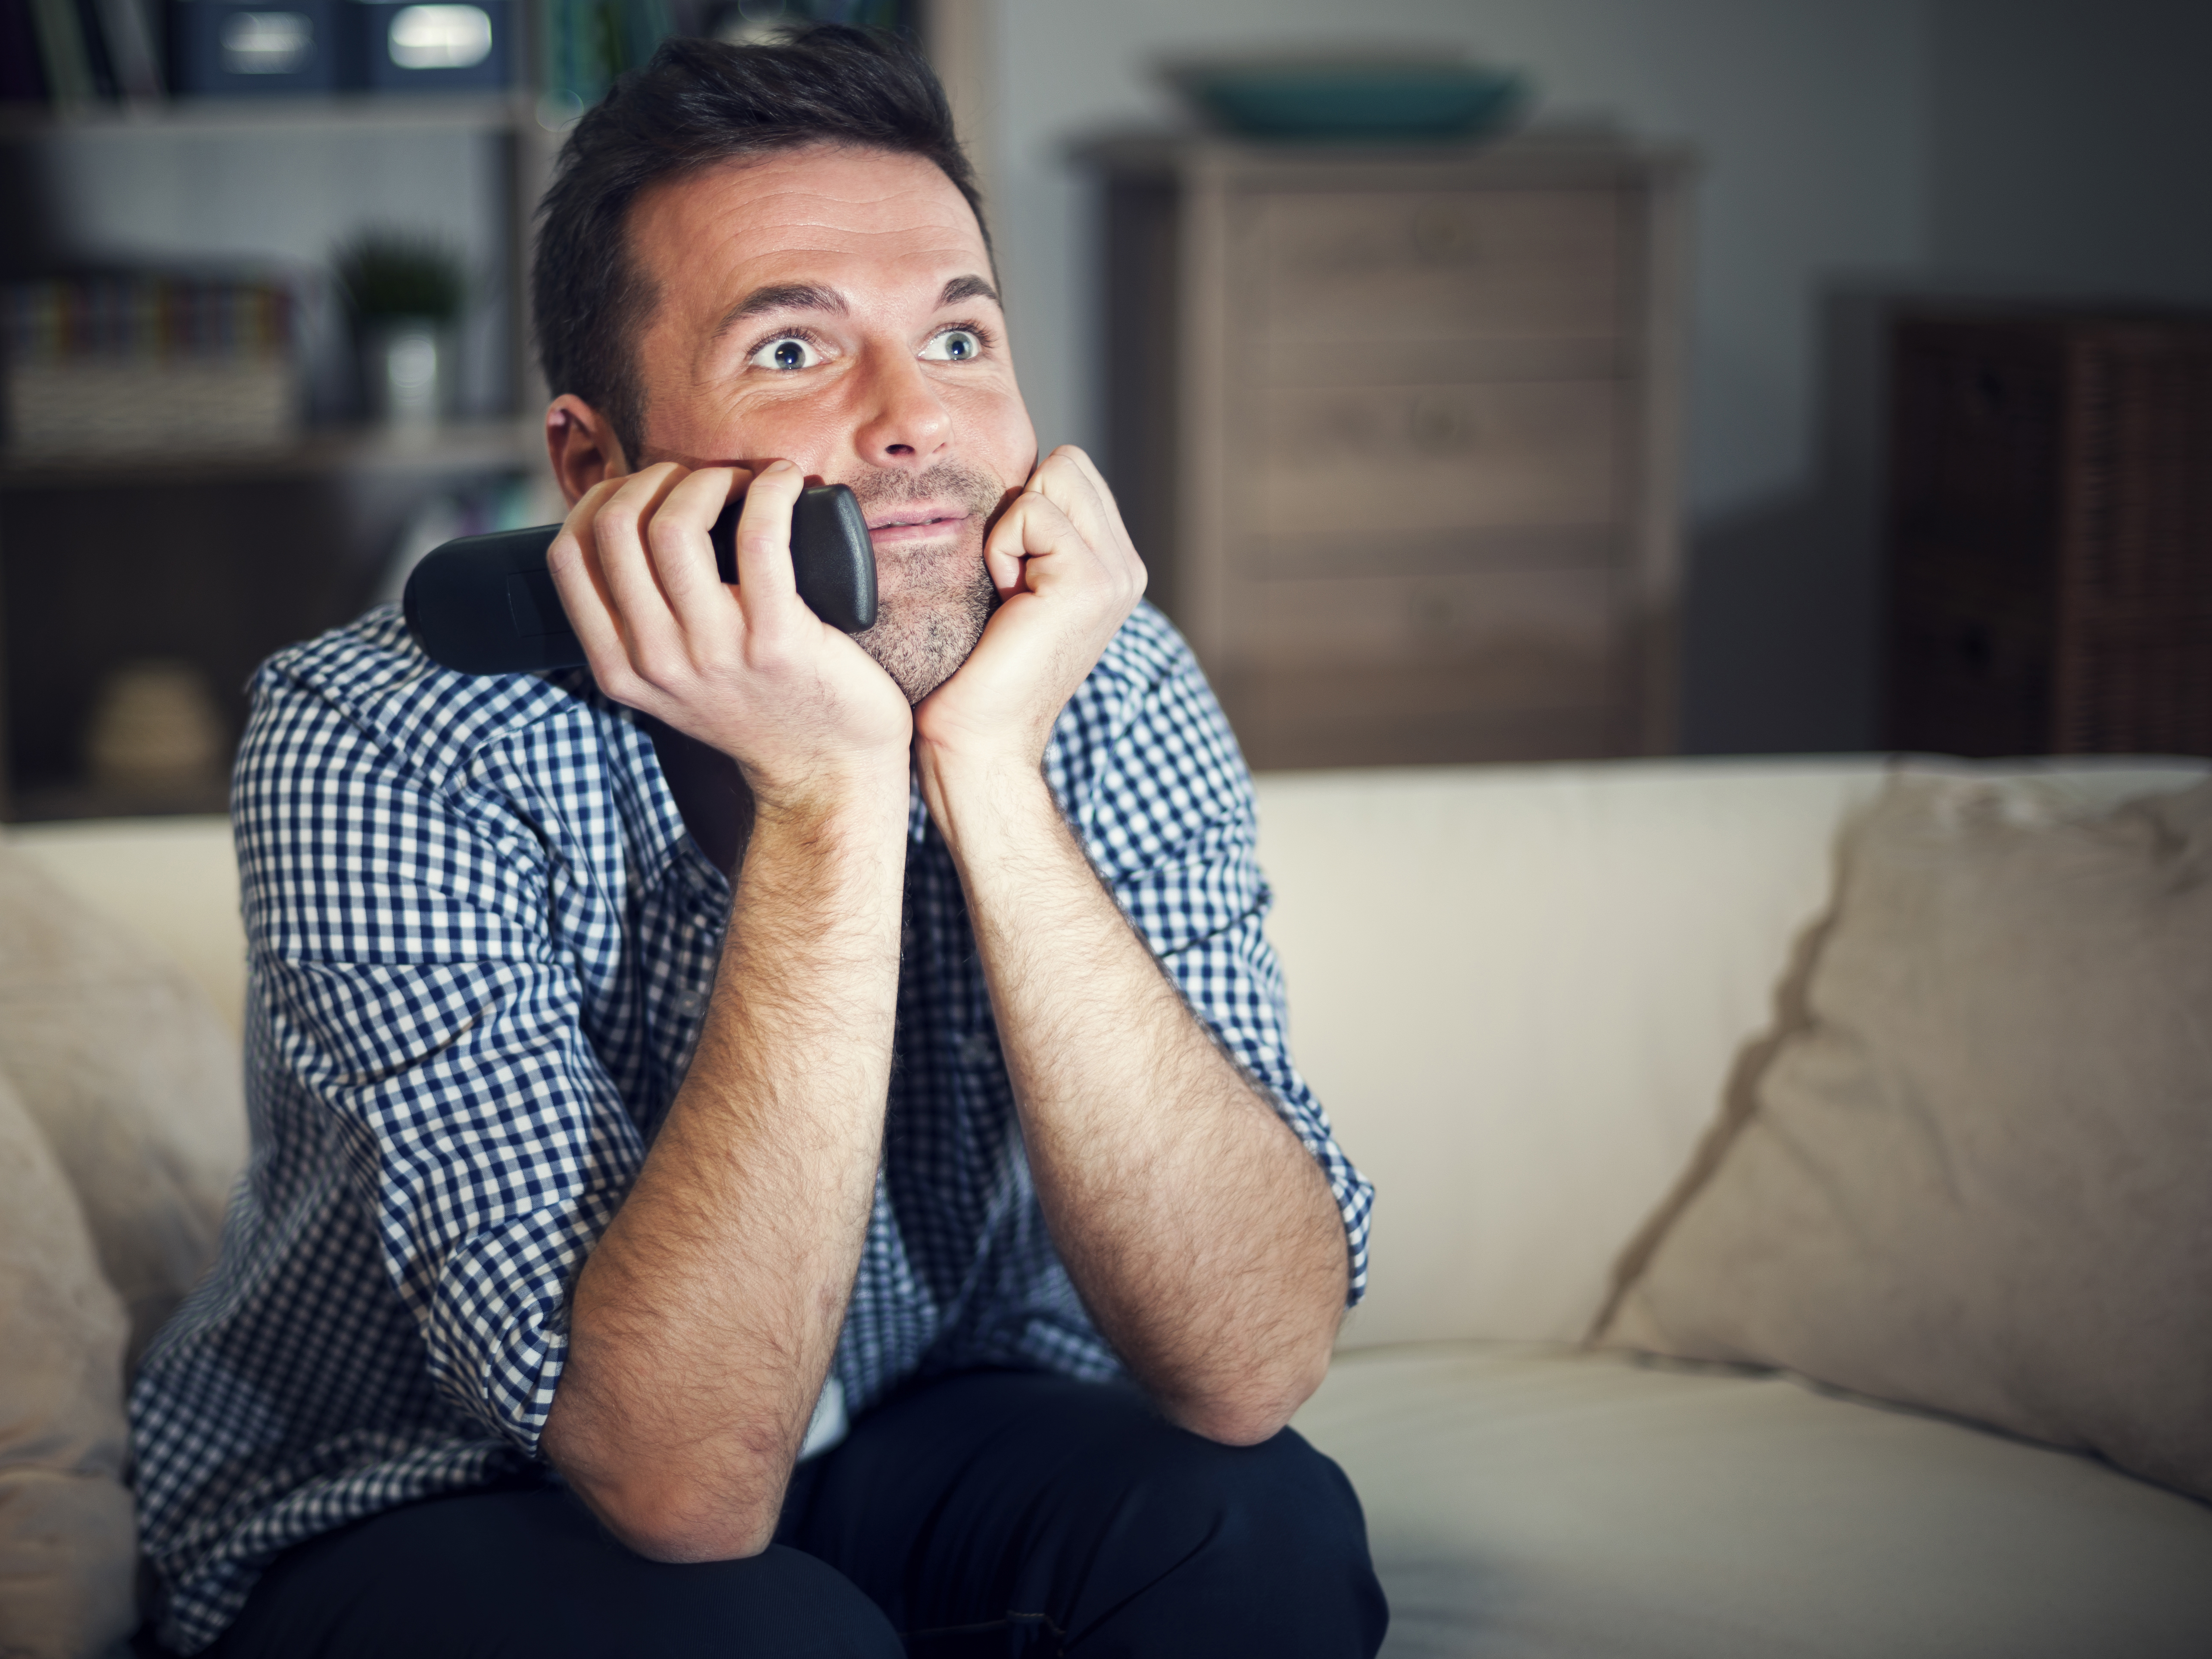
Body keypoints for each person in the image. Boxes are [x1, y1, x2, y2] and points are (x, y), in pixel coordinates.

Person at [132, 25, 1386, 1658]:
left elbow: (1253, 1363)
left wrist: (989, 769)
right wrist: (828, 793)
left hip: (906, 1410)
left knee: (1259, 1531)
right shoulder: (382, 735)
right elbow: (677, 1485)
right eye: (795, 351)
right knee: (757, 1638)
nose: (916, 421)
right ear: (595, 466)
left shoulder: (1099, 668)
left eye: (959, 336)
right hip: (443, 1490)